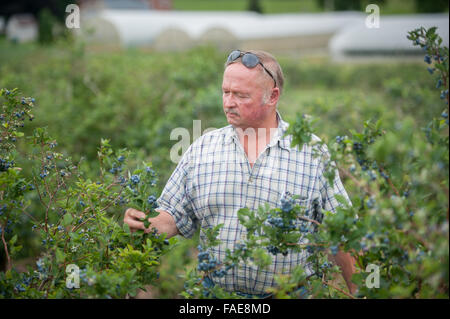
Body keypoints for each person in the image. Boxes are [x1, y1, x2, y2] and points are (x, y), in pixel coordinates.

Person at [124, 50, 357, 297]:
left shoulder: (310, 152)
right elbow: (173, 215)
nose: (228, 102)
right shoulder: (203, 149)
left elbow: (342, 233)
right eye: (226, 92)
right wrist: (145, 221)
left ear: (273, 96)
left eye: (241, 95)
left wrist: (359, 290)